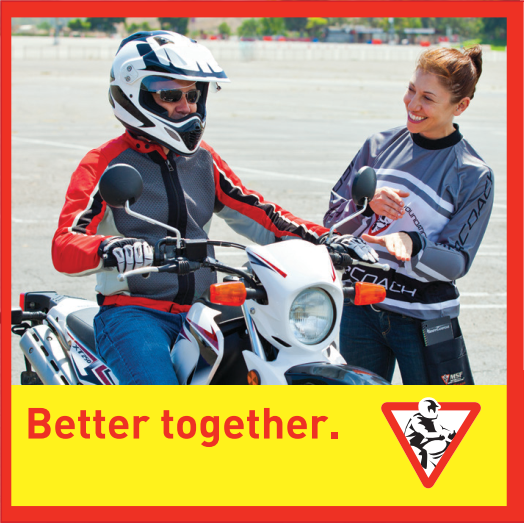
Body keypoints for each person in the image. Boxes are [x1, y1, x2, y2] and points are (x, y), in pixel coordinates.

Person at [51, 31, 377, 385]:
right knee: (164, 417)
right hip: (136, 314)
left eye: (193, 95)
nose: (186, 106)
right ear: (134, 94)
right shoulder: (104, 163)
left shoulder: (204, 160)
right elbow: (65, 244)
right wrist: (110, 248)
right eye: (170, 95)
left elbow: (262, 214)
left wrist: (327, 239)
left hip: (208, 308)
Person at [323, 45, 494, 385]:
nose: (413, 104)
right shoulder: (377, 145)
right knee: (359, 426)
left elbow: (458, 260)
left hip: (426, 320)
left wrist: (412, 241)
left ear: (460, 106)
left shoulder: (473, 175)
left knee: (444, 430)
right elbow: (331, 222)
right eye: (411, 89)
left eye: (428, 98)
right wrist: (366, 206)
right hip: (361, 307)